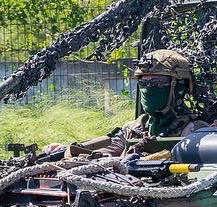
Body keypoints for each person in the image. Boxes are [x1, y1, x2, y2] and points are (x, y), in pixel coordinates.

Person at [49, 49, 205, 157]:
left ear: (179, 86)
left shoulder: (195, 130)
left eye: (157, 82)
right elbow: (107, 154)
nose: (148, 88)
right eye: (144, 82)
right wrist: (68, 151)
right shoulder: (136, 128)